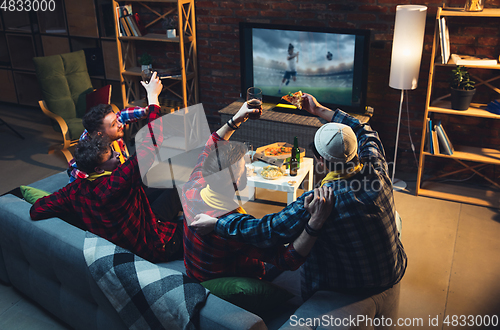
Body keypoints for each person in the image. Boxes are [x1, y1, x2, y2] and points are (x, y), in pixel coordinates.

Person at [190, 93, 407, 305]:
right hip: (394, 269)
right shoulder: (377, 165)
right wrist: (318, 109)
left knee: (311, 243)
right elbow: (364, 129)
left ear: (320, 162)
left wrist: (218, 224)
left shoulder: (319, 201)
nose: (246, 167)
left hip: (346, 285)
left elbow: (268, 230)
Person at [30, 72, 183, 263]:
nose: (118, 154)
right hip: (153, 244)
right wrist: (153, 99)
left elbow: (36, 209)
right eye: (112, 155)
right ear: (100, 169)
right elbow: (152, 143)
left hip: (131, 222)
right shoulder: (118, 181)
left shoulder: (75, 189)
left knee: (174, 182)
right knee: (202, 229)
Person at [181, 102, 334, 283]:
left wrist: (236, 118)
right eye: (243, 168)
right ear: (237, 182)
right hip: (225, 279)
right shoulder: (234, 224)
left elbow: (211, 144)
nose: (246, 168)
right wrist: (315, 223)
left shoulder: (192, 185)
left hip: (195, 269)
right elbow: (287, 260)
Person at [67, 101, 148, 183]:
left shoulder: (106, 129)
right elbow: (76, 184)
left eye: (116, 120)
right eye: (113, 124)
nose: (120, 124)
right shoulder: (88, 156)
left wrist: (144, 111)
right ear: (100, 134)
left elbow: (122, 115)